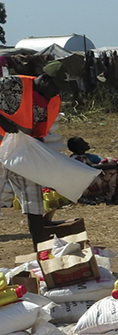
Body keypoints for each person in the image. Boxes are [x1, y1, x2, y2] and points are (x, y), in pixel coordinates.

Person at [0, 73, 62, 246]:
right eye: (54, 87)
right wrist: (2, 122)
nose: (56, 92)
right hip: (0, 144)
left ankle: (40, 249)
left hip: (22, 150)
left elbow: (38, 126)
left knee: (33, 200)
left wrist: (37, 141)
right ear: (44, 78)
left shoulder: (52, 99)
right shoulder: (12, 83)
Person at [67, 136, 118, 204]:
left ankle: (117, 196)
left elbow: (102, 163)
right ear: (78, 147)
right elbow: (92, 167)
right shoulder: (76, 159)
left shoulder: (88, 156)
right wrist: (117, 165)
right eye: (83, 143)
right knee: (113, 165)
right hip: (86, 187)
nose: (86, 143)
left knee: (116, 164)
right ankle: (115, 196)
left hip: (93, 183)